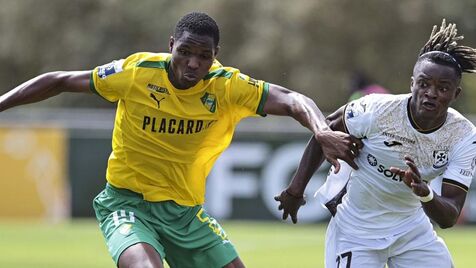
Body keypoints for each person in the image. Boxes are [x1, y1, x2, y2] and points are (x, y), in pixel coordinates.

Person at [0, 12, 360, 268]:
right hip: (127, 203)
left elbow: (294, 99)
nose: (192, 63)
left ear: (214, 57)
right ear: (171, 44)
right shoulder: (136, 73)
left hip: (185, 213)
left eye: (204, 57)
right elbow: (60, 80)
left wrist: (320, 130)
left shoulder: (228, 86)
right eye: (185, 51)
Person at [275, 19, 476, 267]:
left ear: (456, 94)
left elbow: (449, 216)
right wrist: (295, 190)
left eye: (443, 88)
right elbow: (324, 132)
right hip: (355, 232)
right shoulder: (376, 110)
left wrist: (425, 193)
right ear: (412, 84)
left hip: (412, 232)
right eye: (423, 84)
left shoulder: (463, 136)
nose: (431, 93)